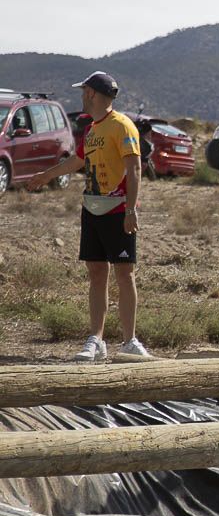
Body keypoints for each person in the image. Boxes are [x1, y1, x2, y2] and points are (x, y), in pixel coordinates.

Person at [27, 71, 150, 360]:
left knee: (124, 273)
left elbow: (134, 169)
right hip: (91, 209)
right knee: (96, 273)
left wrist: (131, 209)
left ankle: (130, 340)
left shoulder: (122, 126)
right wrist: (47, 176)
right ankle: (96, 339)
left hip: (118, 209)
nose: (82, 96)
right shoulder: (93, 129)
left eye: (84, 91)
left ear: (92, 93)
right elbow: (78, 160)